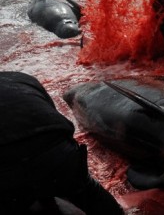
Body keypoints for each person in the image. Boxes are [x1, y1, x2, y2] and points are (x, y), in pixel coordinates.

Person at [0, 71, 124, 215]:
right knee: (86, 191)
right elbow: (51, 116)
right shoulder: (19, 78)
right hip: (58, 151)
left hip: (8, 167)